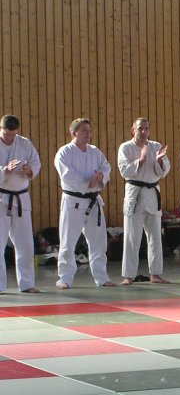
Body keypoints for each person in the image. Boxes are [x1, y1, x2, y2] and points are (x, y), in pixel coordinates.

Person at [54, 118, 116, 289]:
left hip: (93, 201)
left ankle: (102, 277)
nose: (88, 134)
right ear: (74, 133)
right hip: (73, 201)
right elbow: (67, 175)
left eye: (89, 131)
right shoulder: (64, 152)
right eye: (84, 131)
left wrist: (101, 176)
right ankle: (64, 278)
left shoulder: (95, 151)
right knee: (68, 241)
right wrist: (88, 183)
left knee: (99, 242)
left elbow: (106, 167)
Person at [117, 118, 170, 285]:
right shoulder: (126, 147)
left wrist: (160, 160)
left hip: (152, 194)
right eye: (140, 128)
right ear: (133, 130)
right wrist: (140, 160)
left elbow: (163, 172)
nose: (144, 132)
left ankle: (156, 274)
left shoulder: (156, 146)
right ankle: (128, 275)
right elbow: (124, 171)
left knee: (155, 237)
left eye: (146, 128)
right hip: (135, 193)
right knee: (132, 237)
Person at [0, 115, 41, 293]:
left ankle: (27, 284)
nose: (10, 138)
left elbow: (36, 163)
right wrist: (5, 170)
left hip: (21, 198)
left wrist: (29, 170)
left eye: (12, 135)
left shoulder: (24, 143)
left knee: (25, 244)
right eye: (6, 135)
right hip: (1, 198)